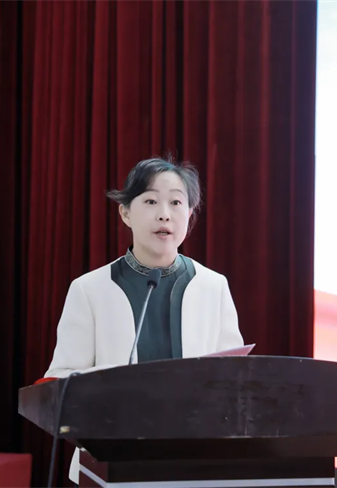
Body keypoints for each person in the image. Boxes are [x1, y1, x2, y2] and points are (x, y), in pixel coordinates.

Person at [43, 156, 245, 485]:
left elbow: (235, 378)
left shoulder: (213, 286)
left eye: (176, 202)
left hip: (197, 460)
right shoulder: (89, 289)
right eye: (150, 201)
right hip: (111, 460)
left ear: (189, 214)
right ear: (125, 213)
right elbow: (62, 380)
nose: (164, 213)